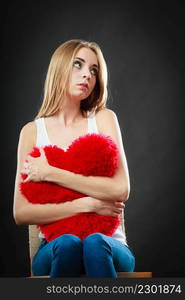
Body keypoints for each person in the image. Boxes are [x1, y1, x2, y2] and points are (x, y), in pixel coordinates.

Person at [13, 39, 135, 278]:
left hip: (110, 244)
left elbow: (121, 189)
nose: (87, 75)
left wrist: (51, 173)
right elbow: (21, 212)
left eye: (93, 70)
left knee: (93, 243)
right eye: (78, 65)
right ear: (59, 68)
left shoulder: (103, 119)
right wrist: (86, 205)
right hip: (53, 246)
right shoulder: (31, 132)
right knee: (69, 244)